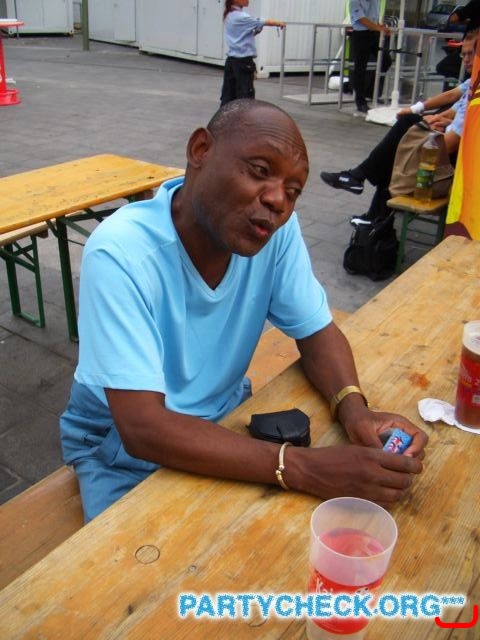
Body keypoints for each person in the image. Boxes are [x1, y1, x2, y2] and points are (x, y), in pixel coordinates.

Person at [60, 99, 427, 523]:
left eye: (293, 191)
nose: (277, 200)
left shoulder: (275, 233)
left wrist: (355, 410)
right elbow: (142, 429)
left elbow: (316, 332)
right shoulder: (121, 252)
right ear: (200, 150)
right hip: (120, 444)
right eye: (260, 170)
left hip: (220, 414)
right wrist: (302, 467)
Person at [320, 30, 477, 221]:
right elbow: (453, 104)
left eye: (471, 54)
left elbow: (451, 144)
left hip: (454, 161)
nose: (466, 60)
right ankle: (372, 212)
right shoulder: (473, 82)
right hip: (448, 144)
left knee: (401, 141)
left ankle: (362, 184)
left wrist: (426, 123)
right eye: (463, 54)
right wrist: (432, 117)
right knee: (399, 142)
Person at [220, 0, 285, 105]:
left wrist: (256, 30)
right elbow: (265, 21)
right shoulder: (241, 17)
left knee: (228, 96)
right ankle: (243, 115)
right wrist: (280, 23)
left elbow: (243, 35)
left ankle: (225, 115)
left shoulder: (229, 15)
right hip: (243, 62)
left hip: (232, 60)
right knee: (245, 97)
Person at [349, 0, 392, 114]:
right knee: (360, 67)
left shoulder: (375, 1)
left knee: (386, 61)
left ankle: (370, 92)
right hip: (361, 34)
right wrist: (378, 28)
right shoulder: (355, 1)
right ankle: (360, 101)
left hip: (374, 33)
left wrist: (380, 26)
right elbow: (361, 19)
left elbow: (373, 18)